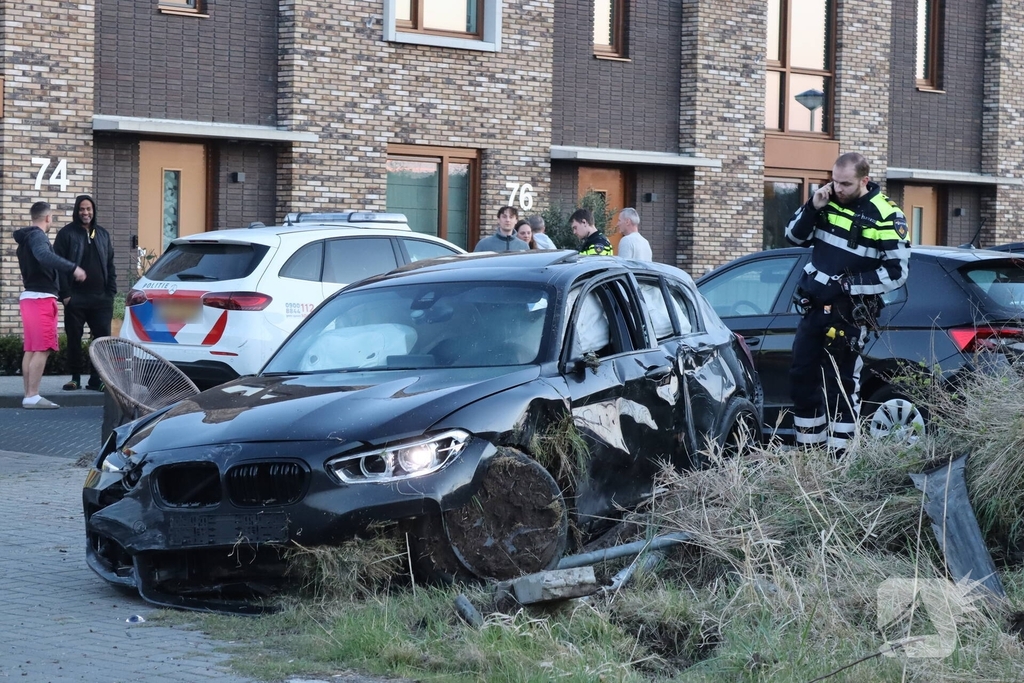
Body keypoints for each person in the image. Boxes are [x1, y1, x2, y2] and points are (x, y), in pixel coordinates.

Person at [785, 152, 910, 453]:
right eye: (835, 181)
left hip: (849, 317)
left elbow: (898, 272)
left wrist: (850, 284)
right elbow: (793, 238)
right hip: (813, 310)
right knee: (802, 381)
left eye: (846, 184)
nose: (838, 189)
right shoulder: (824, 201)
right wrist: (812, 207)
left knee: (841, 387)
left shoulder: (887, 215)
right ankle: (809, 459)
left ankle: (841, 461)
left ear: (864, 181)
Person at [14, 201, 87, 409]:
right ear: (48, 218)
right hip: (41, 298)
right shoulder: (38, 236)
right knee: (43, 348)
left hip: (30, 297)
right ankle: (33, 395)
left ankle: (29, 395)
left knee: (31, 348)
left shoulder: (26, 238)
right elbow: (44, 256)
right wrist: (73, 268)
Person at [54, 194, 117, 391]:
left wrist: (111, 292)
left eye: (88, 209)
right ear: (76, 211)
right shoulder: (66, 234)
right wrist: (65, 295)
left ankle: (96, 380)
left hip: (101, 299)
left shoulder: (103, 234)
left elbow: (110, 264)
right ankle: (75, 378)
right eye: (82, 209)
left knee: (100, 341)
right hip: (76, 298)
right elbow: (58, 266)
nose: (85, 212)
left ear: (93, 211)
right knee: (74, 338)